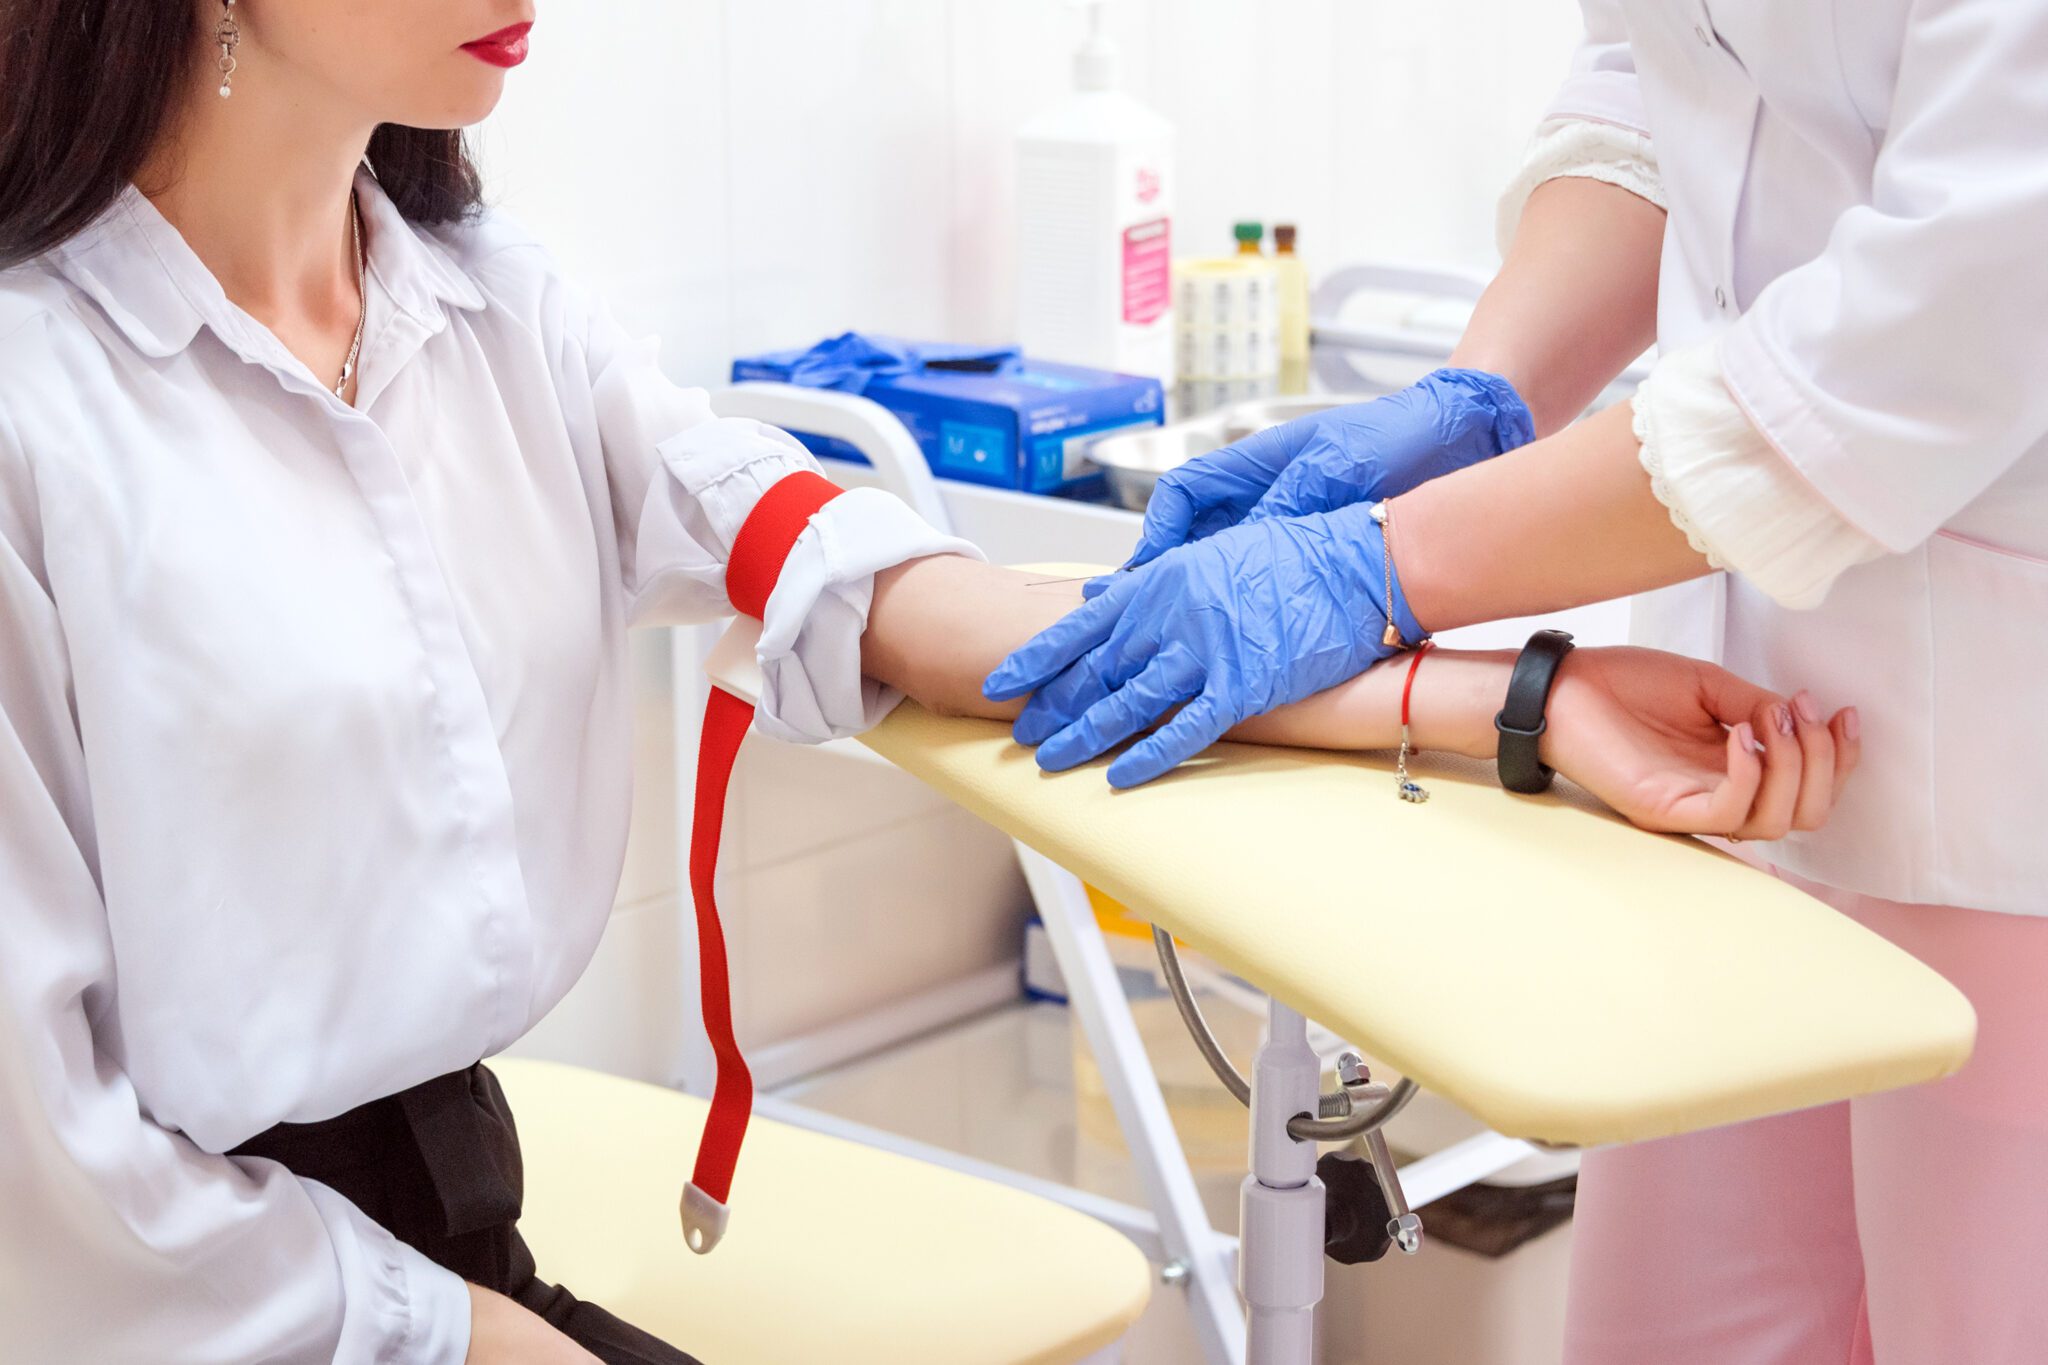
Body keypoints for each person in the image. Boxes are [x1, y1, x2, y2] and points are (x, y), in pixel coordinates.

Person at [0, 4, 1865, 1365]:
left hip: (447, 1242)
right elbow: (51, 1229)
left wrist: (1517, 702)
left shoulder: (477, 308)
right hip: (186, 1301)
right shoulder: (39, 412)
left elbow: (881, 592)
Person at [990, 0, 2048, 1360]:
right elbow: (1656, 88)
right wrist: (1481, 398)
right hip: (1731, 763)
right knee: (1674, 1326)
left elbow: (1926, 335)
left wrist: (1394, 562)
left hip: (2010, 783)